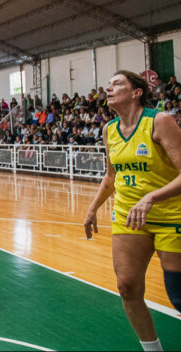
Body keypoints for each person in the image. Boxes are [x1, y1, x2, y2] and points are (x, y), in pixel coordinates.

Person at [83, 70, 181, 352]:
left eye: (117, 84)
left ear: (136, 92)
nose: (108, 88)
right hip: (129, 216)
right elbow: (110, 176)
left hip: (170, 216)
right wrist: (92, 209)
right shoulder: (109, 130)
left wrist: (152, 197)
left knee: (178, 296)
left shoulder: (159, 121)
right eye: (108, 84)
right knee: (127, 286)